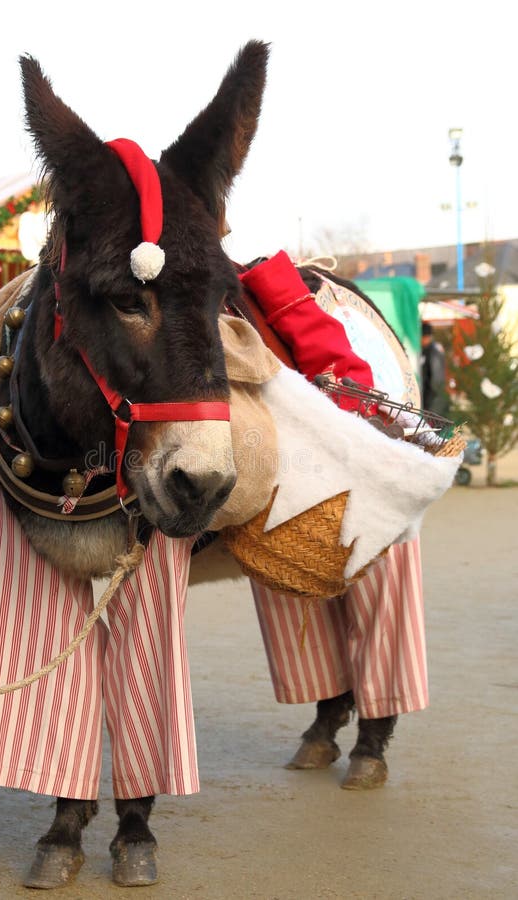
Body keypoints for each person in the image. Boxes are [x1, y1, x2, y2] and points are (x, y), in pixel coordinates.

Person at [239, 251, 430, 789]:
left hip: (368, 445)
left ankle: (375, 733)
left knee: (380, 582)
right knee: (290, 580)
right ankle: (330, 710)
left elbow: (350, 377)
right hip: (285, 462)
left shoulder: (278, 296)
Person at [421, 322, 449, 417]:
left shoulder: (434, 352)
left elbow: (436, 381)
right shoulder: (425, 350)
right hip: (429, 401)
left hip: (433, 403)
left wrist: (429, 406)